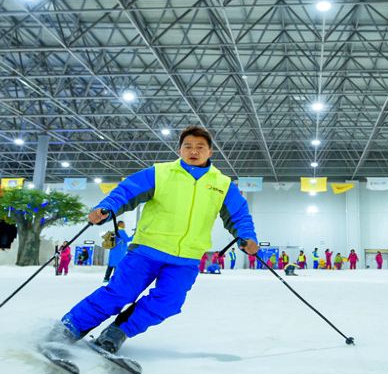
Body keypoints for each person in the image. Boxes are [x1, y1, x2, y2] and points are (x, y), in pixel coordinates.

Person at [42, 125, 260, 355]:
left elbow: (239, 216)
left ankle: (114, 335)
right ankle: (68, 329)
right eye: (188, 146)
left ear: (210, 152)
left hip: (187, 258)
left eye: (200, 147)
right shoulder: (160, 173)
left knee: (169, 302)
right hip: (147, 250)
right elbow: (126, 191)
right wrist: (106, 208)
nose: (193, 151)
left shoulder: (223, 184)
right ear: (180, 150)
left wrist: (248, 238)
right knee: (120, 293)